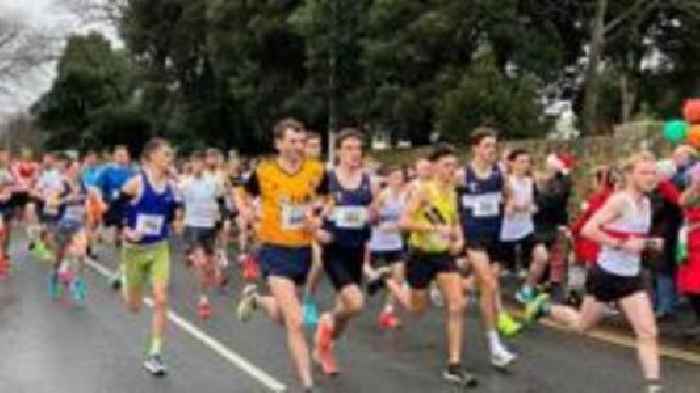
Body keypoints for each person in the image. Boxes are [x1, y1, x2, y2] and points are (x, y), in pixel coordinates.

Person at [526, 151, 664, 393]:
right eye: (644, 172)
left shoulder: (646, 203)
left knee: (648, 331)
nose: (651, 177)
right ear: (630, 175)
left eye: (653, 172)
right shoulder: (620, 200)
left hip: (632, 278)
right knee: (581, 325)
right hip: (606, 275)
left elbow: (630, 236)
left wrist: (650, 242)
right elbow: (589, 229)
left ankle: (653, 387)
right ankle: (544, 307)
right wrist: (621, 245)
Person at [236, 118, 327, 392]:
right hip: (274, 249)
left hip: (303, 250)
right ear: (278, 144)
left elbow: (326, 198)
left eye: (301, 141)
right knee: (296, 321)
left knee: (283, 315)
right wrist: (246, 210)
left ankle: (257, 300)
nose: (298, 147)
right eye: (292, 141)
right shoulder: (264, 172)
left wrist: (317, 215)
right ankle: (308, 384)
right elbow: (241, 193)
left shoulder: (316, 169)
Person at [384, 145, 477, 387]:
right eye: (447, 165)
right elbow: (404, 222)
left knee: (457, 305)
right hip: (420, 255)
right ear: (434, 167)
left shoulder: (452, 192)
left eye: (454, 166)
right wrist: (434, 228)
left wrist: (460, 238)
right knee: (416, 310)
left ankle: (454, 365)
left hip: (443, 256)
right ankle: (392, 284)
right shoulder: (424, 192)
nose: (451, 170)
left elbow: (455, 222)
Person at [313, 129, 375, 376]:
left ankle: (324, 347)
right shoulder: (327, 179)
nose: (354, 153)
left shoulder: (368, 180)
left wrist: (373, 216)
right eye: (349, 148)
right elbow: (309, 212)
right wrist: (317, 230)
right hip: (334, 249)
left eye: (358, 148)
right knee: (356, 304)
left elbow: (372, 213)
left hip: (357, 249)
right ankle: (326, 320)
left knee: (347, 313)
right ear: (338, 151)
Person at [457, 127, 519, 367]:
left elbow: (509, 194)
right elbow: (449, 201)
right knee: (491, 285)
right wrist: (455, 230)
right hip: (472, 238)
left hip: (494, 237)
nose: (491, 150)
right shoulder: (463, 175)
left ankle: (494, 346)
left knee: (486, 289)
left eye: (494, 146)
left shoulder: (499, 174)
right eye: (487, 146)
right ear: (475, 148)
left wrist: (511, 204)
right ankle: (496, 346)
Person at [119, 138, 180, 376]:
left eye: (171, 154)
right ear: (151, 157)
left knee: (161, 299)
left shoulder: (172, 186)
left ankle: (155, 354)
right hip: (134, 251)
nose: (170, 157)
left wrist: (177, 222)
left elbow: (174, 213)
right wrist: (126, 230)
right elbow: (115, 210)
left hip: (158, 248)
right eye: (165, 154)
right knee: (133, 307)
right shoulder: (136, 183)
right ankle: (126, 276)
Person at [179, 150, 226, 319]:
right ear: (191, 164)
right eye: (194, 162)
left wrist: (218, 219)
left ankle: (205, 288)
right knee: (201, 262)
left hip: (209, 228)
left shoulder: (214, 181)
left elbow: (220, 201)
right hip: (192, 227)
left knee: (209, 267)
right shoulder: (185, 183)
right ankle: (203, 299)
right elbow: (178, 203)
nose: (197, 166)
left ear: (204, 164)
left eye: (200, 162)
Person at [367, 165, 407, 329]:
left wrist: (398, 225)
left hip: (396, 243)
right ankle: (376, 278)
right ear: (389, 179)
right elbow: (371, 216)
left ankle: (387, 313)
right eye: (395, 176)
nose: (399, 180)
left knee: (398, 278)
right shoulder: (384, 195)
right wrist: (381, 222)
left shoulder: (405, 196)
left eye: (401, 176)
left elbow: (406, 218)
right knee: (389, 278)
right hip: (379, 244)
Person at [96, 145, 136, 289]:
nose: (121, 158)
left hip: (126, 209)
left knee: (125, 240)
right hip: (110, 208)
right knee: (111, 240)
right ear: (114, 156)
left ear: (128, 157)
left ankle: (121, 271)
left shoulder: (132, 173)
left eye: (124, 155)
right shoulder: (107, 171)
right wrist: (100, 202)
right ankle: (119, 268)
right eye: (119, 155)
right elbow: (96, 188)